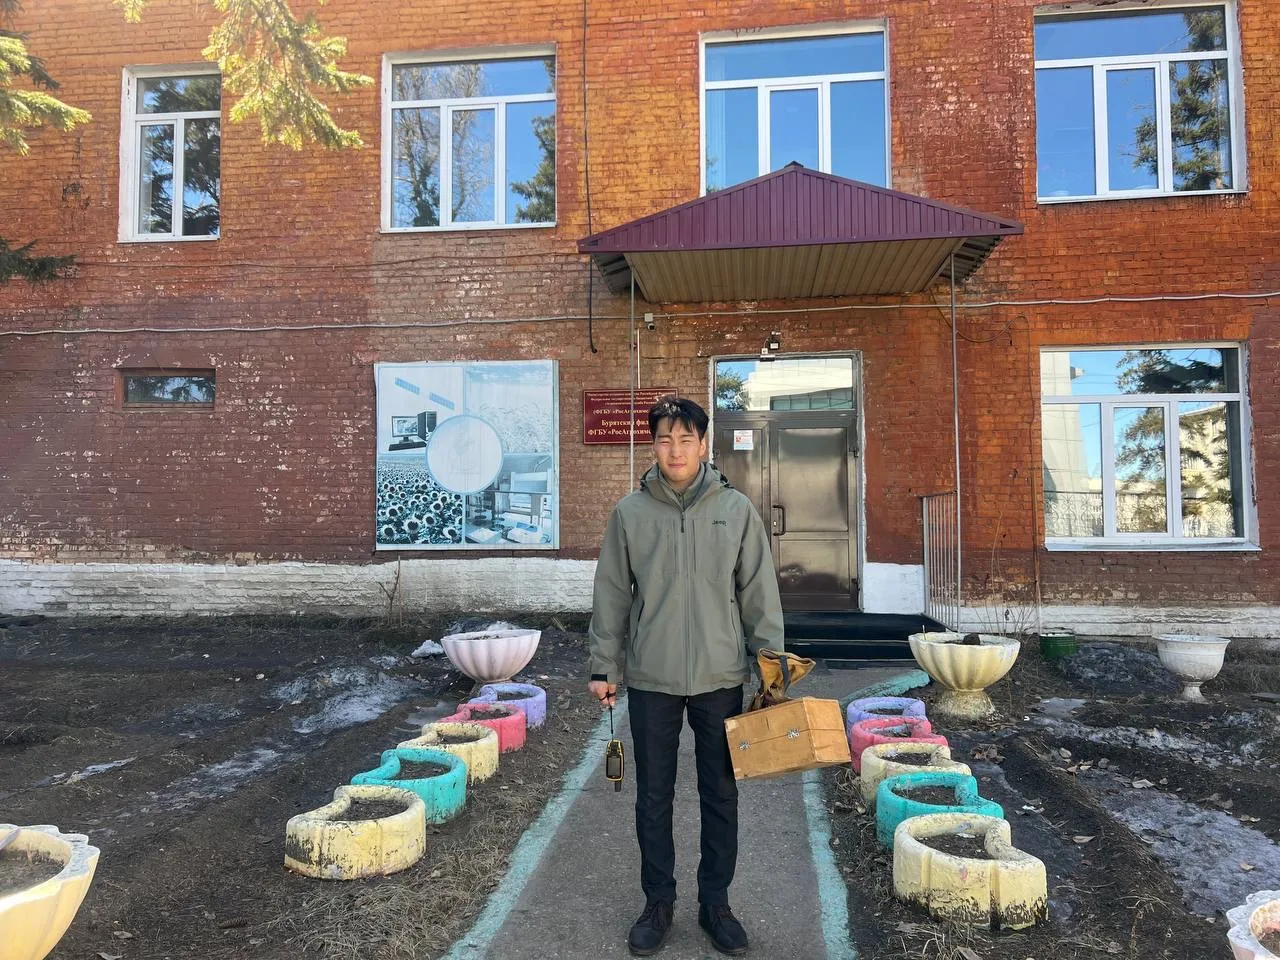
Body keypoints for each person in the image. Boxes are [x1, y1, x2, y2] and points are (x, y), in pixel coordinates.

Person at [587, 396, 784, 957]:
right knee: (653, 796)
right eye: (664, 439)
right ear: (653, 446)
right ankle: (658, 902)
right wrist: (605, 665)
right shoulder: (630, 514)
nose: (675, 450)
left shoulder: (735, 510)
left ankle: (715, 903)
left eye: (685, 439)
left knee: (720, 793)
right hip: (652, 678)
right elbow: (611, 595)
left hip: (720, 677)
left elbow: (758, 592)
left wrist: (771, 666)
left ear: (703, 444)